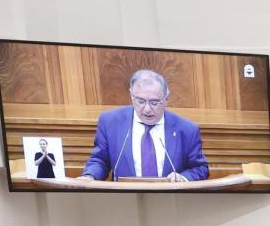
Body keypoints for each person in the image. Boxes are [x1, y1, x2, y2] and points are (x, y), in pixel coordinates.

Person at [79, 69, 208, 182]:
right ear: (131, 96)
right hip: (124, 201)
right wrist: (90, 176)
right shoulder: (110, 122)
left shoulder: (187, 130)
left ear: (166, 99)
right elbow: (100, 160)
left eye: (154, 102)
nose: (147, 109)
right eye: (141, 101)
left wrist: (183, 177)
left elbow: (200, 168)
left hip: (170, 201)